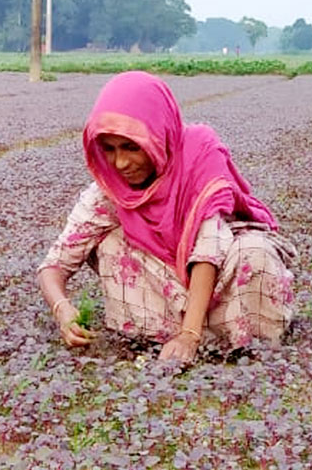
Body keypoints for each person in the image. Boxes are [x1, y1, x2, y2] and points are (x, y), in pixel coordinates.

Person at [37, 71, 296, 363]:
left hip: (223, 273)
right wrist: (63, 310)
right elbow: (54, 265)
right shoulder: (109, 191)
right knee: (110, 244)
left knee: (255, 253)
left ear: (158, 135)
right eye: (109, 149)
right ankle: (197, 333)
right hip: (169, 291)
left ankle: (215, 331)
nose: (121, 163)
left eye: (132, 147)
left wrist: (190, 336)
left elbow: (207, 252)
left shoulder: (199, 156)